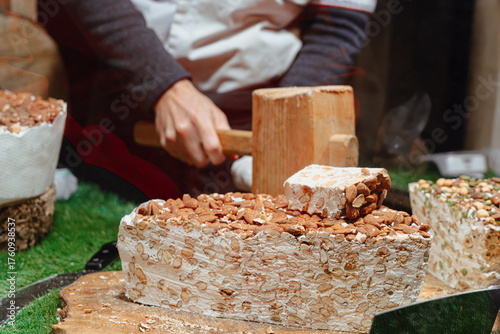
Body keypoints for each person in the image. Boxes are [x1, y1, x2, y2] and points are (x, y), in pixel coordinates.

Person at [39, 0, 376, 200]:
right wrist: (162, 84)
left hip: (252, 112)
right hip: (118, 115)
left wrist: (286, 129)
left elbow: (338, 25)